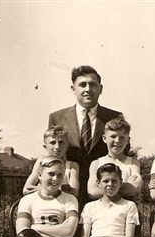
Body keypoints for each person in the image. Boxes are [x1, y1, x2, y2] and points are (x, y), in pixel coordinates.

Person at [48, 65, 122, 206]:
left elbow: (121, 155)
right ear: (73, 89)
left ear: (100, 89)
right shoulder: (57, 117)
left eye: (93, 85)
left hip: (103, 192)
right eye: (82, 85)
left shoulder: (115, 117)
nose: (88, 89)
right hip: (68, 191)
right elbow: (53, 156)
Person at [88, 117, 142, 200]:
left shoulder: (133, 163)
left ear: (128, 140)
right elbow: (93, 192)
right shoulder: (96, 163)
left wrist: (105, 187)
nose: (117, 141)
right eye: (113, 136)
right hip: (102, 209)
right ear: (104, 138)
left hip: (126, 209)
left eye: (122, 137)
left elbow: (135, 187)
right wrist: (124, 185)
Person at [23, 126, 80, 197]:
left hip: (63, 204)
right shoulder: (41, 162)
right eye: (52, 142)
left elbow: (74, 193)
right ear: (45, 146)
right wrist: (59, 189)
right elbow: (26, 189)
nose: (57, 147)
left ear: (67, 146)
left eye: (61, 142)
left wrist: (44, 188)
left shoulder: (72, 166)